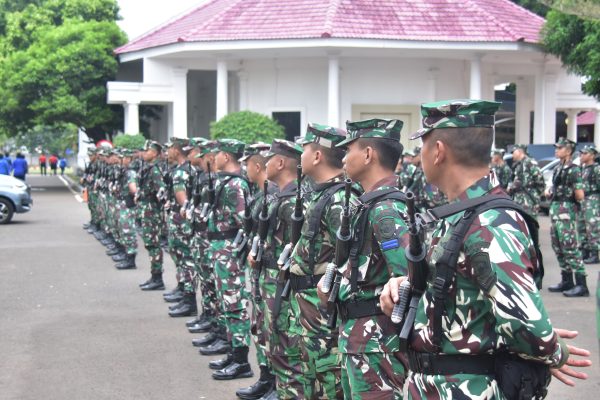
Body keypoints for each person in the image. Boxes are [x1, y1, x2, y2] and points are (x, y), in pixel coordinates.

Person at [379, 100, 577, 399]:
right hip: (438, 385)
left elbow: (527, 327)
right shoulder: (463, 214)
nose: (420, 155)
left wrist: (551, 350)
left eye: (423, 145)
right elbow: (459, 287)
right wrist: (404, 286)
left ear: (438, 151)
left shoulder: (490, 222)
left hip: (468, 389)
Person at [318, 118, 409, 399]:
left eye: (349, 150)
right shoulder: (368, 203)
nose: (343, 158)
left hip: (375, 342)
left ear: (368, 154)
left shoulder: (386, 210)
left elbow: (407, 281)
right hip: (359, 337)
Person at [288, 124, 351, 399]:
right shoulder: (320, 193)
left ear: (317, 157)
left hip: (323, 308)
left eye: (304, 149)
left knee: (330, 380)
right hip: (308, 306)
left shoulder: (339, 199)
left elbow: (349, 260)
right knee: (311, 376)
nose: (299, 157)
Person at [547, 137, 588, 297]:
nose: (556, 150)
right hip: (556, 209)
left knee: (570, 246)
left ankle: (581, 284)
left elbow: (579, 194)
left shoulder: (574, 169)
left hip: (566, 211)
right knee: (558, 246)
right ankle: (567, 280)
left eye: (560, 148)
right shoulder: (558, 168)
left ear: (569, 151)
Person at [508, 144, 545, 215]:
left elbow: (539, 180)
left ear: (519, 152)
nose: (512, 155)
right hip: (519, 199)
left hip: (528, 199)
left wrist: (536, 194)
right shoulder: (519, 164)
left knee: (529, 222)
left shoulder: (529, 162)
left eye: (514, 152)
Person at [579, 145, 600, 264]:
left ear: (592, 155)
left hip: (593, 200)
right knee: (581, 227)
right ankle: (585, 250)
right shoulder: (582, 168)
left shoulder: (596, 169)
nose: (582, 155)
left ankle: (594, 253)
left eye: (585, 153)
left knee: (593, 227)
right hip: (583, 200)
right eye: (581, 153)